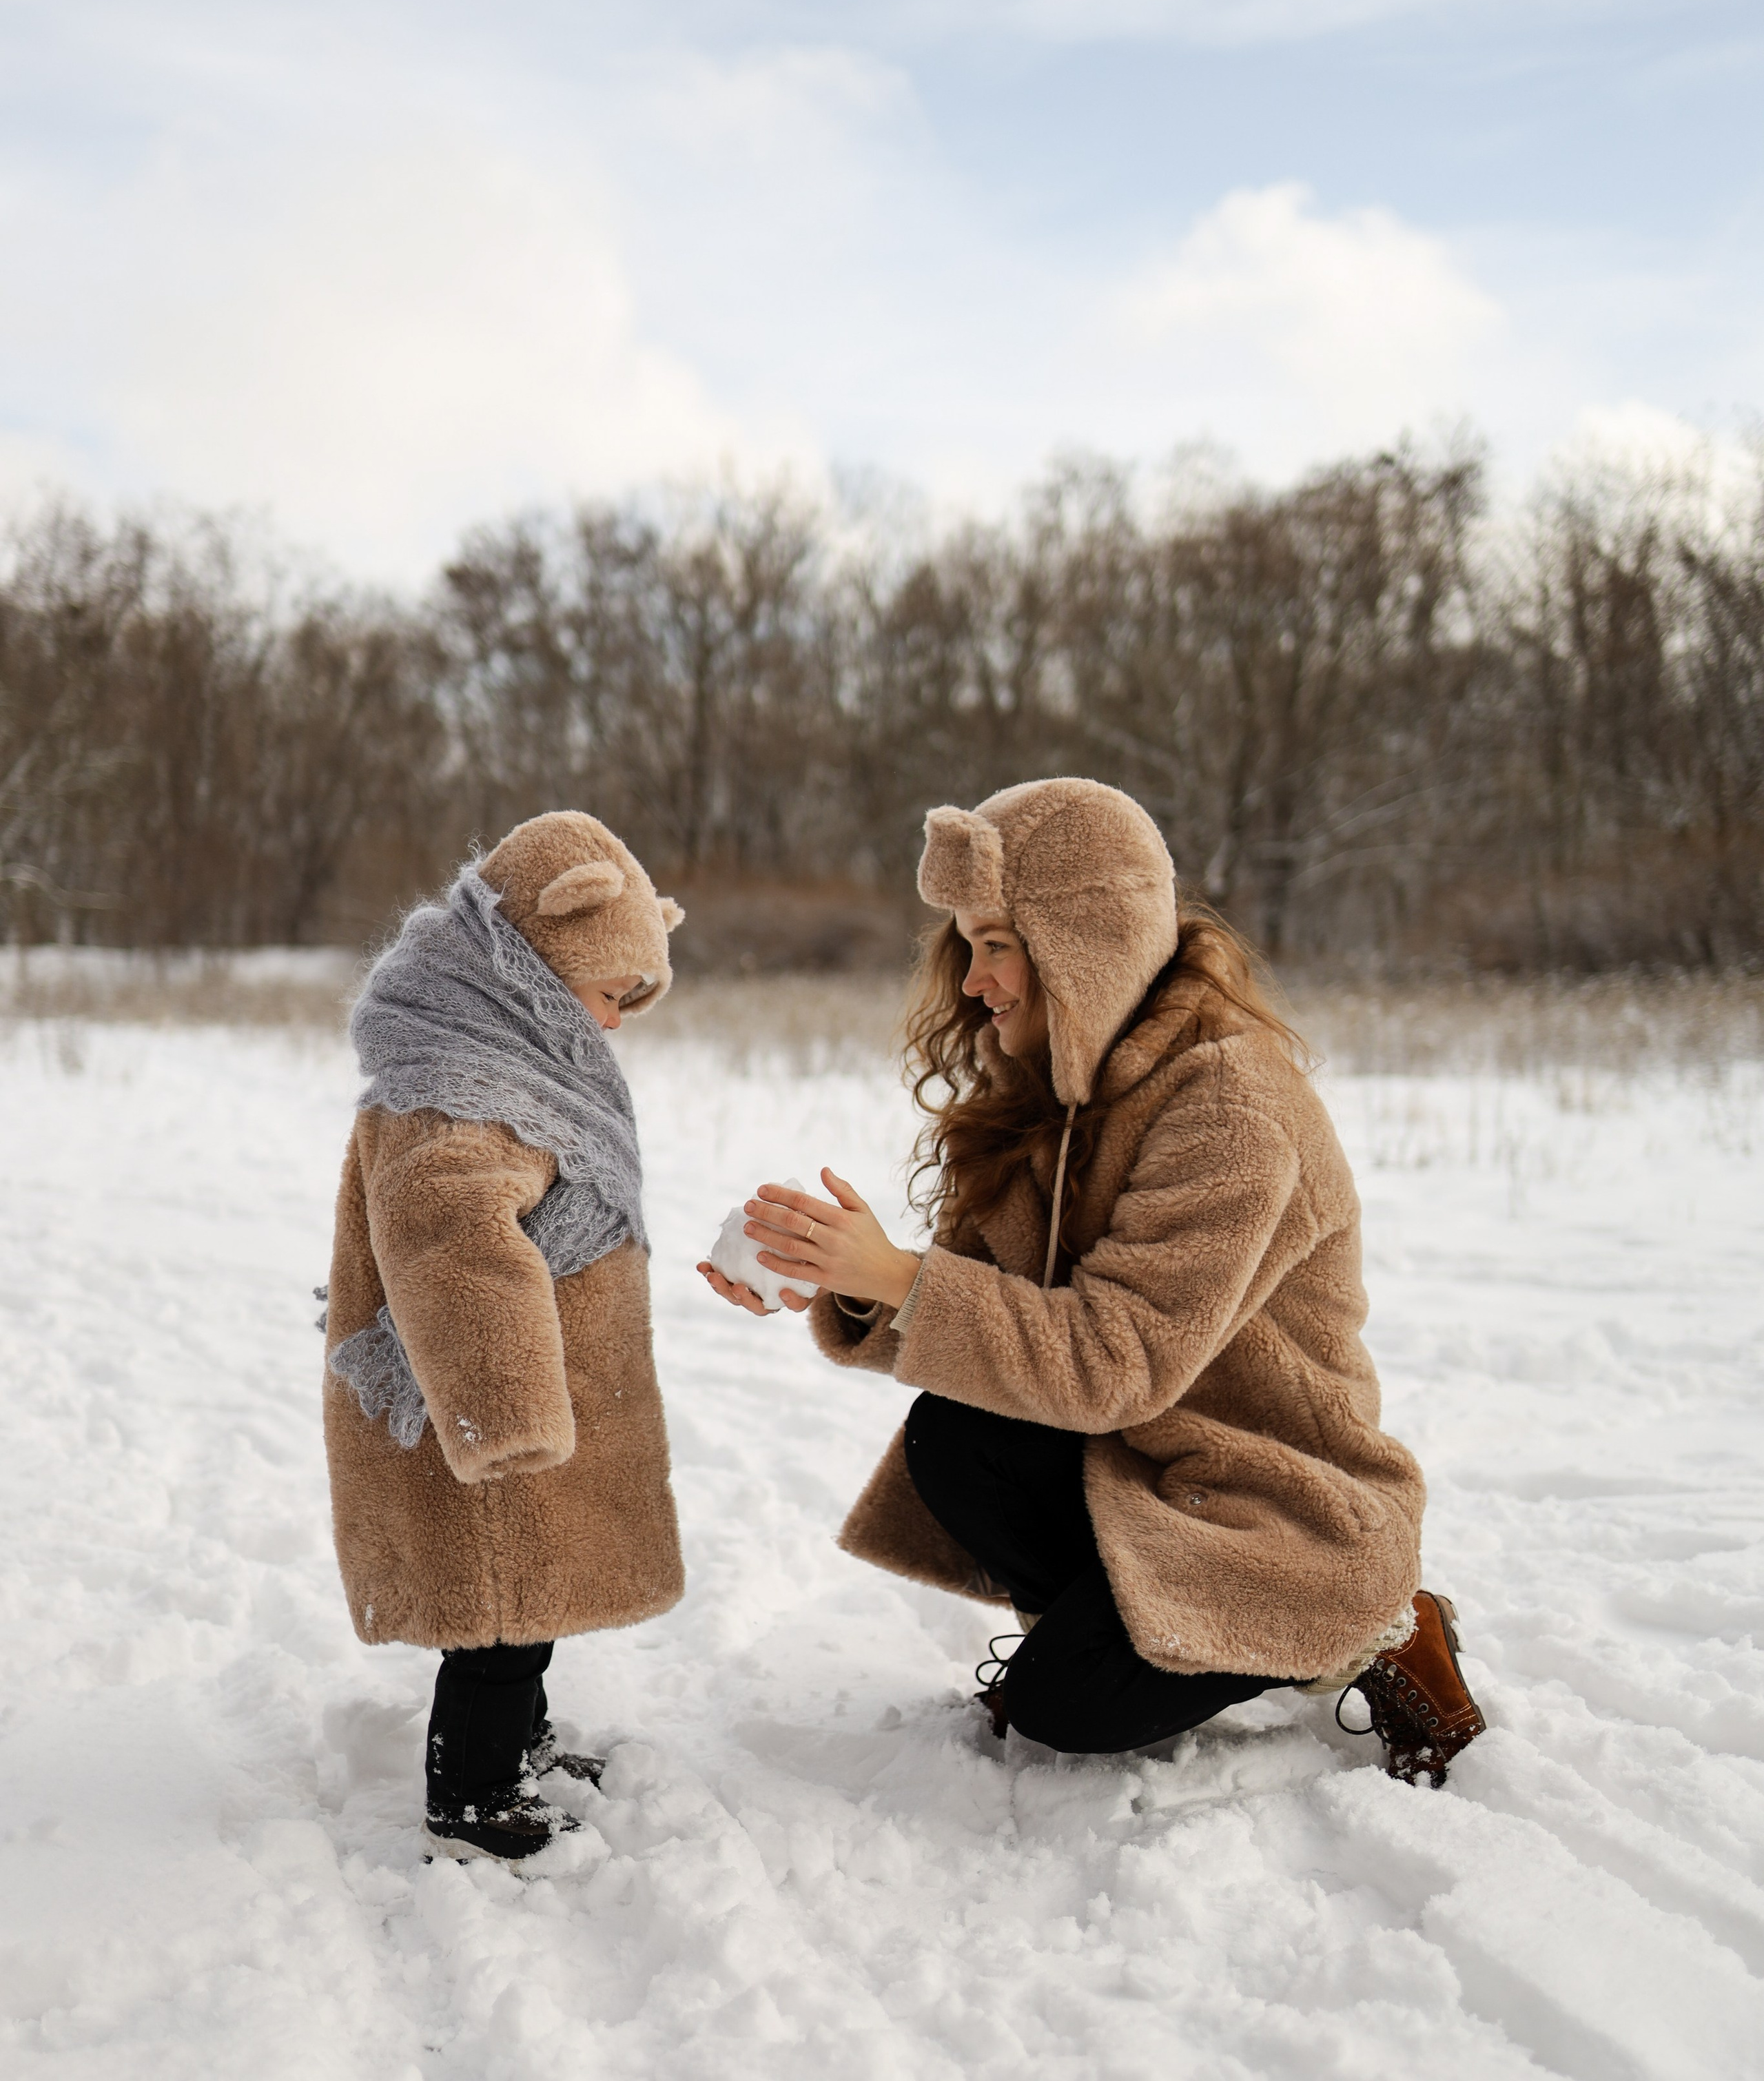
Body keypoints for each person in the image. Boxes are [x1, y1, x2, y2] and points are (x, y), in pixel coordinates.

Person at [700, 777, 1484, 1784]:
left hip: (1276, 1501)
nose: (975, 982)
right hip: (1149, 1464)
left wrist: (902, 1277)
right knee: (956, 1434)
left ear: (1086, 941)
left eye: (996, 945)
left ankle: (1375, 1623)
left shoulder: (1232, 1106)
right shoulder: (1054, 1089)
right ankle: (1115, 1626)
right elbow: (988, 1308)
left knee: (1062, 1710)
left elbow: (1114, 1360)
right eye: (967, 946)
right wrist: (843, 1278)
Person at [323, 810, 687, 1862]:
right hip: (492, 1415)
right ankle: (473, 1796)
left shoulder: (505, 1066)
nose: (614, 1026)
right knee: (494, 1620)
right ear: (539, 955)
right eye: (612, 994)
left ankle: (516, 1746)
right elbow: (450, 1239)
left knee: (529, 1603)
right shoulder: (460, 1088)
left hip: (538, 1402)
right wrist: (504, 1405)